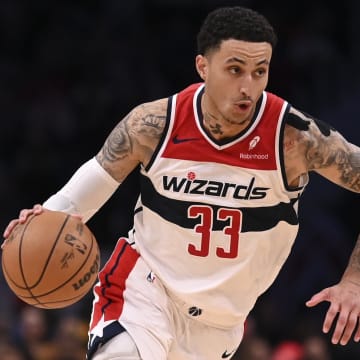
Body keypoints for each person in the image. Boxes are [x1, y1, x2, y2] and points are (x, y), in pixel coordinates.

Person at [2, 5, 360, 360]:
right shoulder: (153, 124)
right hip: (144, 289)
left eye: (259, 71)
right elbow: (87, 188)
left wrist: (355, 280)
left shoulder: (296, 139)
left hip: (221, 324)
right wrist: (45, 219)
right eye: (235, 70)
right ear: (203, 67)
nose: (247, 87)